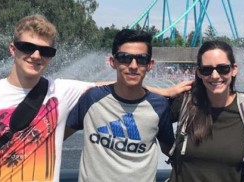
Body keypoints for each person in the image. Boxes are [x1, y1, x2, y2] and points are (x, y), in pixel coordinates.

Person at [0, 15, 190, 182]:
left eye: (45, 51)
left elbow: (120, 84)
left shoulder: (63, 90)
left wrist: (166, 92)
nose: (36, 55)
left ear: (51, 56)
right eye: (27, 47)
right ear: (13, 49)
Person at [65, 29, 175, 182]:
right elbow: (56, 138)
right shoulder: (92, 98)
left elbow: (172, 151)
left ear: (150, 65)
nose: (133, 66)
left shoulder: (159, 106)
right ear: (113, 62)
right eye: (125, 58)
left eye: (141, 59)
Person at [167, 40, 244, 182]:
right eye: (207, 70)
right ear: (199, 73)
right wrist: (165, 91)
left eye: (223, 68)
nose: (214, 76)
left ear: (234, 69)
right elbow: (145, 109)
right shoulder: (186, 103)